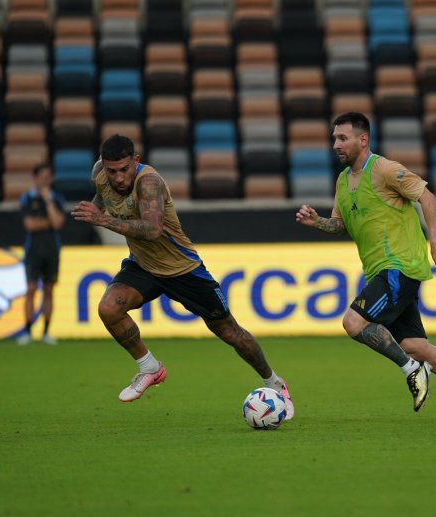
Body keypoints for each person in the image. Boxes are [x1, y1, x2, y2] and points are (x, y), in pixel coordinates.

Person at [295, 112, 436, 423]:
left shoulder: (385, 170)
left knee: (353, 322)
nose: (335, 144)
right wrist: (317, 222)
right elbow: (340, 225)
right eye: (334, 138)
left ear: (363, 140)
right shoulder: (343, 180)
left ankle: (411, 369)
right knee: (414, 345)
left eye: (343, 138)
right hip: (380, 270)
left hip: (399, 266)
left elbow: (427, 197)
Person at [71, 135, 294, 417]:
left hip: (182, 269)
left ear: (136, 161)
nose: (119, 177)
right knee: (108, 308)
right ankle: (149, 367)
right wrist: (95, 209)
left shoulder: (149, 183)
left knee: (230, 332)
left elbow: (153, 230)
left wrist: (102, 220)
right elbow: (103, 198)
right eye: (112, 171)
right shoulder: (100, 175)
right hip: (143, 266)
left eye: (124, 169)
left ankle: (273, 382)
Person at [17, 163, 65, 345]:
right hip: (33, 251)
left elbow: (58, 223)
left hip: (52, 250)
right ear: (35, 178)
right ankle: (28, 331)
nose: (45, 181)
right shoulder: (27, 198)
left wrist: (47, 201)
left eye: (48, 177)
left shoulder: (56, 199)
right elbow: (30, 225)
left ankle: (46, 332)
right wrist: (49, 222)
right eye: (42, 177)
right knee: (30, 289)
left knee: (49, 290)